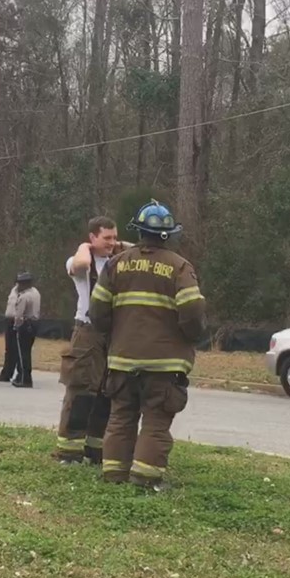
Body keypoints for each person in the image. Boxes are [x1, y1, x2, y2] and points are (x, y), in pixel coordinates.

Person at [88, 199, 207, 490]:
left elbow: (98, 311)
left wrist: (115, 335)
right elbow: (192, 312)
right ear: (170, 234)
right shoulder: (180, 268)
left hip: (122, 360)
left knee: (120, 418)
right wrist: (191, 336)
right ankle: (145, 479)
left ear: (139, 231)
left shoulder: (116, 264)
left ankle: (114, 475)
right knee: (155, 421)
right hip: (165, 364)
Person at [53, 216, 131, 465]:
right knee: (81, 389)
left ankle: (96, 448)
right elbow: (81, 263)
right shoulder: (80, 262)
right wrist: (84, 247)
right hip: (87, 332)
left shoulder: (118, 262)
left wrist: (118, 247)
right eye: (106, 238)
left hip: (113, 332)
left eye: (114, 237)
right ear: (92, 237)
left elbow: (139, 253)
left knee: (106, 391)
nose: (112, 242)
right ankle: (69, 450)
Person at [11, 272, 41, 388]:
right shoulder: (36, 293)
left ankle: (25, 379)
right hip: (35, 324)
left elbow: (19, 315)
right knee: (27, 351)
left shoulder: (23, 296)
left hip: (25, 324)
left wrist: (16, 326)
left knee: (23, 354)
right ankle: (24, 378)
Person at [0, 280, 23, 383]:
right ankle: (6, 373)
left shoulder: (25, 293)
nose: (18, 284)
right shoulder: (13, 291)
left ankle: (20, 374)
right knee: (9, 349)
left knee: (17, 349)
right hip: (9, 320)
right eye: (17, 282)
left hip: (17, 321)